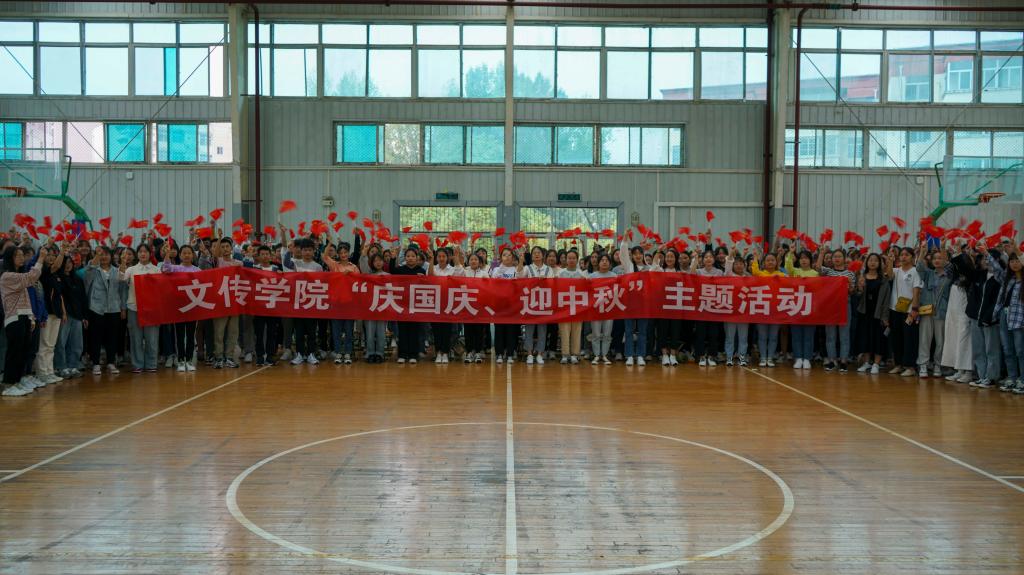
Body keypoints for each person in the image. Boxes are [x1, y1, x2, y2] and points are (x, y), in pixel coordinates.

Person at [1, 245, 45, 396]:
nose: (21, 258)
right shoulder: (7, 276)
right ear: (10, 258)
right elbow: (31, 277)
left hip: (24, 317)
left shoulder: (17, 276)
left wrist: (31, 318)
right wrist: (41, 258)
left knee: (23, 351)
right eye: (17, 255)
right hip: (14, 318)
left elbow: (26, 300)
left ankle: (17, 381)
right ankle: (8, 384)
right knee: (14, 352)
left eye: (21, 255)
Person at [120, 243, 161, 373]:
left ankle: (151, 364)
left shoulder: (156, 270)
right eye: (140, 251)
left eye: (145, 251)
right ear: (137, 254)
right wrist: (123, 262)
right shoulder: (131, 270)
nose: (143, 254)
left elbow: (161, 289)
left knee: (151, 338)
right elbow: (120, 278)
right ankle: (137, 364)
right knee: (135, 338)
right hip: (134, 308)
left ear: (150, 254)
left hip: (151, 309)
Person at [84, 246, 125, 376]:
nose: (104, 257)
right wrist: (97, 254)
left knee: (112, 337)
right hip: (96, 308)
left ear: (111, 256)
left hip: (114, 308)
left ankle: (111, 362)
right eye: (101, 254)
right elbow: (90, 267)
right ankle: (95, 363)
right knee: (96, 336)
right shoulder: (93, 270)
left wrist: (123, 308)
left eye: (106, 254)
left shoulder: (116, 270)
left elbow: (122, 290)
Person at [966, 245, 1003, 388]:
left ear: (997, 260)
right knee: (978, 348)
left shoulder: (1000, 277)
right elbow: (966, 269)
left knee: (991, 349)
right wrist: (965, 254)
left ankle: (991, 377)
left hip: (990, 319)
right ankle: (982, 376)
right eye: (984, 259)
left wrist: (987, 253)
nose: (986, 261)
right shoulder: (980, 275)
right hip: (977, 317)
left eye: (989, 259)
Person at [161, 244, 202, 372]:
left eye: (189, 253)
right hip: (178, 307)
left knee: (190, 335)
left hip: (192, 306)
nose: (186, 255)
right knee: (179, 335)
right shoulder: (175, 268)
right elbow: (165, 268)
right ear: (180, 255)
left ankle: (189, 360)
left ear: (193, 255)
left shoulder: (197, 270)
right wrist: (167, 254)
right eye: (184, 253)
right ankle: (180, 360)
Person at [817, 246, 856, 373]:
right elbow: (818, 268)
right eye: (835, 257)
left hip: (845, 304)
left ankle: (843, 361)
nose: (837, 259)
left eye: (839, 256)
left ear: (844, 259)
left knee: (844, 335)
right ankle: (832, 360)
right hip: (830, 306)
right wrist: (821, 253)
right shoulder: (828, 272)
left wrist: (850, 286)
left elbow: (852, 291)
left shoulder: (850, 273)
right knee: (830, 335)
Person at [285, 238, 324, 365]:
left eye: (310, 250)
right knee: (299, 331)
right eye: (305, 250)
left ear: (313, 251)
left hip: (312, 303)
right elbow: (285, 262)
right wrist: (289, 248)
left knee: (312, 331)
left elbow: (321, 284)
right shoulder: (295, 263)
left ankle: (311, 354)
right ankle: (300, 354)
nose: (307, 252)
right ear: (300, 251)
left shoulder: (318, 267)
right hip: (298, 303)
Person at [916, 244, 952, 378]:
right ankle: (923, 364)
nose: (937, 260)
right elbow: (919, 267)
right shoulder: (929, 273)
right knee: (924, 339)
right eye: (935, 258)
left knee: (940, 341)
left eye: (940, 258)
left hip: (941, 311)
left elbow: (950, 265)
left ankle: (938, 364)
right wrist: (922, 251)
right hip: (927, 310)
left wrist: (943, 248)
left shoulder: (949, 276)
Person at [991, 245, 1023, 393]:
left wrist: (1015, 249)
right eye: (1012, 261)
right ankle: (1012, 378)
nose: (1014, 264)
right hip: (1004, 315)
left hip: (1019, 319)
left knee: (1020, 351)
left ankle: (1022, 380)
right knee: (1008, 349)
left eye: (1017, 261)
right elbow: (997, 270)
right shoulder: (1008, 279)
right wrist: (985, 252)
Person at [941, 247, 975, 384]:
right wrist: (944, 248)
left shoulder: (970, 278)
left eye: (958, 264)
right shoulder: (953, 276)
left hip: (964, 313)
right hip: (953, 313)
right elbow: (946, 265)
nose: (955, 266)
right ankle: (959, 369)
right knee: (954, 339)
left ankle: (968, 371)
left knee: (964, 341)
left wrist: (960, 253)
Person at [322, 240, 359, 365]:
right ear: (338, 254)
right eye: (341, 253)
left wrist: (351, 274)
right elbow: (325, 257)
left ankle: (348, 353)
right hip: (336, 302)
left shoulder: (354, 267)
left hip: (349, 303)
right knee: (336, 330)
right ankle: (338, 352)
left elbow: (359, 281)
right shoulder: (334, 265)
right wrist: (329, 242)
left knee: (349, 330)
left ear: (348, 253)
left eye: (345, 252)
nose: (343, 255)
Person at [888, 247, 922, 377]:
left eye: (907, 255)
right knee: (896, 338)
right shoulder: (896, 270)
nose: (903, 257)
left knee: (909, 339)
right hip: (895, 309)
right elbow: (889, 275)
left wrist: (914, 309)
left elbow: (916, 291)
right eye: (901, 255)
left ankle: (910, 366)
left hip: (909, 311)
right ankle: (898, 364)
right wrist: (890, 261)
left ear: (912, 257)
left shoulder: (915, 271)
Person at [35, 244, 67, 384]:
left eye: (54, 255)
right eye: (49, 255)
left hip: (56, 313)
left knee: (51, 345)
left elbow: (59, 295)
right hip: (46, 313)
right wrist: (62, 252)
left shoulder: (56, 275)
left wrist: (63, 312)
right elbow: (56, 265)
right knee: (44, 344)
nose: (51, 257)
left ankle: (49, 371)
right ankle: (42, 373)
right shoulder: (42, 271)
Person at [518, 245, 554, 365]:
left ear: (543, 255)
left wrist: (546, 280)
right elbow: (519, 276)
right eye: (534, 253)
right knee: (529, 328)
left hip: (544, 303)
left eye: (539, 252)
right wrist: (521, 261)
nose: (537, 254)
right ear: (531, 256)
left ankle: (539, 354)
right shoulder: (528, 268)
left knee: (542, 329)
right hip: (530, 302)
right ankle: (529, 353)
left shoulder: (548, 269)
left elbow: (553, 284)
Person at [785, 248, 820, 370]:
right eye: (801, 258)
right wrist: (790, 253)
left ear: (810, 260)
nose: (803, 260)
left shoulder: (815, 274)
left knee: (808, 335)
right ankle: (798, 357)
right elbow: (788, 267)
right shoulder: (795, 271)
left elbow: (818, 290)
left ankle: (807, 358)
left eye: (806, 258)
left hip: (809, 307)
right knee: (796, 335)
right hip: (796, 306)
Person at [390, 246, 426, 364]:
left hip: (415, 305)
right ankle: (402, 354)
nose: (410, 258)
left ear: (417, 258)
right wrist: (393, 258)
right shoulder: (401, 269)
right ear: (405, 258)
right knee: (402, 330)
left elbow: (426, 285)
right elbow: (391, 271)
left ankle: (413, 355)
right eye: (408, 256)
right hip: (402, 304)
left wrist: (423, 279)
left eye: (413, 256)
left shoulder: (421, 271)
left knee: (414, 331)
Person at [54, 254, 85, 379]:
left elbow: (82, 298)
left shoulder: (77, 279)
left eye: (70, 262)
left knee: (77, 343)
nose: (68, 265)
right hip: (64, 315)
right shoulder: (58, 278)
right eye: (65, 262)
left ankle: (73, 365)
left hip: (77, 315)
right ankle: (61, 366)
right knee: (61, 342)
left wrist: (84, 316)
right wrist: (63, 312)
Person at [249, 245, 281, 366]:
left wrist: (281, 275)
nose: (265, 256)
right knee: (259, 332)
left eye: (267, 254)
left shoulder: (276, 269)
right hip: (259, 306)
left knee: (272, 332)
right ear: (258, 256)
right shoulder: (254, 269)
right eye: (262, 254)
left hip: (273, 306)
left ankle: (270, 355)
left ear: (271, 255)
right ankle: (260, 356)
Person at [692, 249, 724, 367]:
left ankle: (711, 356)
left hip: (714, 307)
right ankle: (700, 356)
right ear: (703, 260)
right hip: (701, 306)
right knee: (700, 333)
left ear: (714, 259)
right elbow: (691, 275)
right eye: (706, 257)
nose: (708, 259)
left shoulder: (719, 272)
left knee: (713, 334)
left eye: (710, 257)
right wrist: (695, 259)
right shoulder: (699, 271)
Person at [457, 249, 489, 363]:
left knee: (479, 330)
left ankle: (478, 352)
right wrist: (459, 256)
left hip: (480, 305)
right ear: (468, 261)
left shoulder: (484, 273)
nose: (473, 261)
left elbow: (489, 287)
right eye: (471, 259)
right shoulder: (465, 271)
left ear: (479, 262)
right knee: (468, 330)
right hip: (467, 304)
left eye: (476, 259)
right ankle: (469, 352)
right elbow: (457, 275)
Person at [490, 247, 520, 364]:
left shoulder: (516, 269)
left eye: (509, 255)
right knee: (499, 329)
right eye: (504, 255)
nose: (507, 257)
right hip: (499, 304)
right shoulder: (496, 270)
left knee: (511, 329)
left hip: (512, 304)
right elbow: (493, 282)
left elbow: (519, 284)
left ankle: (510, 353)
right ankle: (499, 353)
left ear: (513, 258)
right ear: (501, 257)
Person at [557, 250, 587, 364]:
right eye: (569, 258)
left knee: (576, 331)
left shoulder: (582, 274)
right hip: (564, 307)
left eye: (574, 258)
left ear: (577, 259)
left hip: (577, 307)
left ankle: (575, 354)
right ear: (566, 259)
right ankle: (565, 354)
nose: (571, 260)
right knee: (564, 330)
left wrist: (585, 282)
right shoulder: (560, 273)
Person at [723, 248, 750, 367]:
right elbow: (728, 264)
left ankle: (741, 356)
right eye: (736, 264)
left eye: (741, 264)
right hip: (730, 311)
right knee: (730, 336)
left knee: (743, 337)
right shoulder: (729, 275)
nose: (739, 266)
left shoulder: (748, 277)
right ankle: (729, 357)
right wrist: (731, 253)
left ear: (744, 265)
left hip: (744, 311)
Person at [361, 252, 390, 363]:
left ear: (383, 262)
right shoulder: (368, 275)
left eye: (380, 260)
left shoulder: (388, 275)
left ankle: (380, 353)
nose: (378, 263)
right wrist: (364, 255)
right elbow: (363, 267)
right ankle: (370, 353)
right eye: (375, 261)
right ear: (372, 263)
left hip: (383, 308)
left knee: (381, 333)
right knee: (369, 332)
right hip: (370, 308)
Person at [588, 254, 617, 365]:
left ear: (610, 263)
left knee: (607, 333)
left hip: (609, 308)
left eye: (606, 260)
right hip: (595, 308)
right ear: (598, 263)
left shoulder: (614, 276)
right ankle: (596, 355)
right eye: (602, 260)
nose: (604, 262)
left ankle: (604, 354)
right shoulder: (592, 276)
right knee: (595, 333)